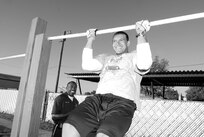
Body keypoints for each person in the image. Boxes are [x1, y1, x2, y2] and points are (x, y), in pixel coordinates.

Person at [62, 20, 153, 137]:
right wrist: (90, 39)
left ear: (128, 43)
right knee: (69, 126)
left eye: (121, 40)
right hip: (97, 100)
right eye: (114, 41)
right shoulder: (106, 58)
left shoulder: (134, 56)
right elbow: (86, 64)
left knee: (104, 134)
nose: (117, 43)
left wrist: (141, 34)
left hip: (122, 103)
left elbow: (145, 63)